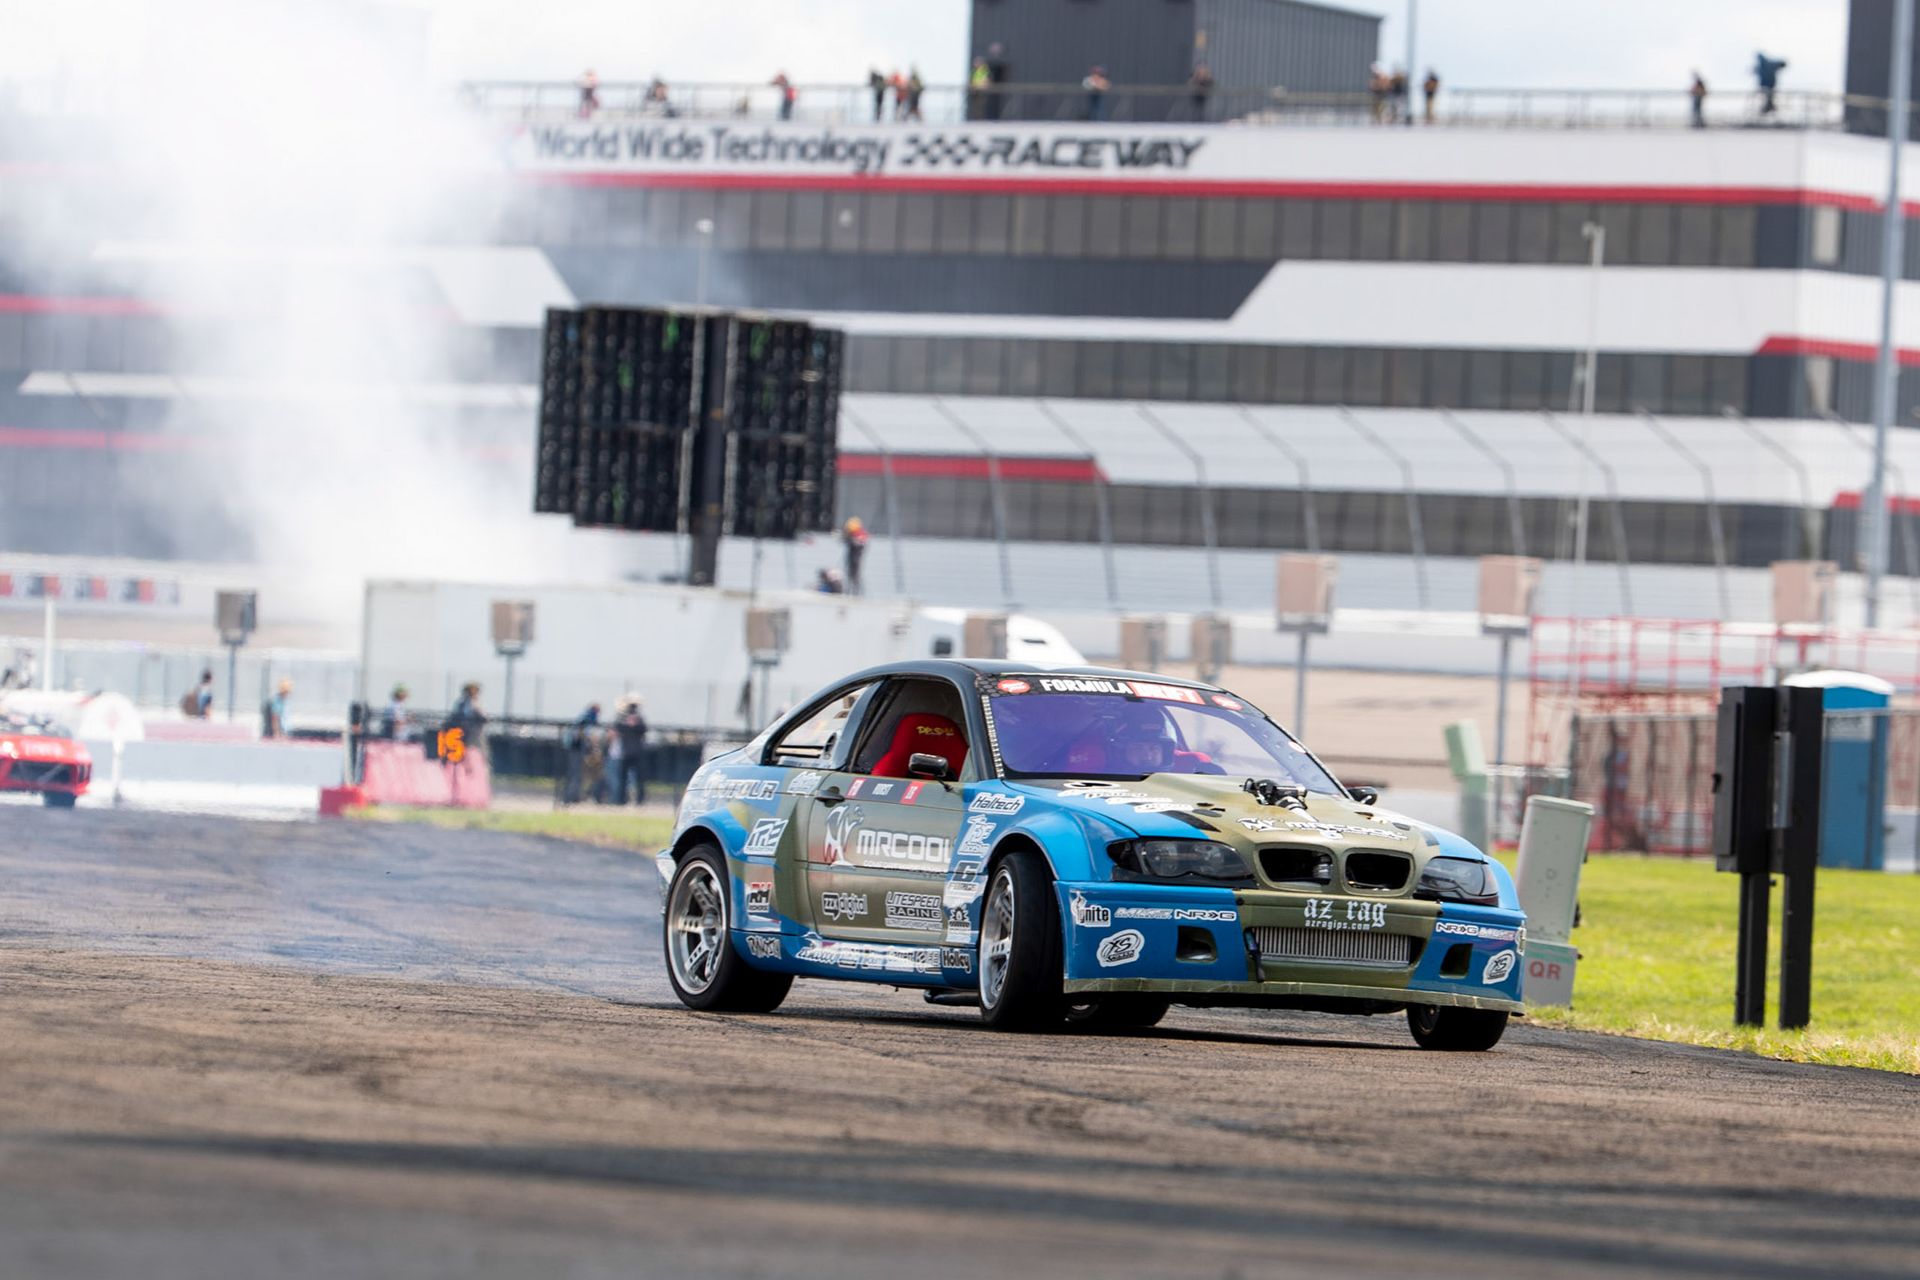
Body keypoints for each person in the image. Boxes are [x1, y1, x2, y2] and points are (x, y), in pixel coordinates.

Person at [613, 696, 649, 805]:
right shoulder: (622, 719)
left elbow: (643, 729)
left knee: (640, 778)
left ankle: (640, 800)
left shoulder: (640, 720)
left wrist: (635, 723)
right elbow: (617, 727)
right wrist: (628, 723)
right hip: (626, 752)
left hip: (637, 752)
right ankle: (621, 800)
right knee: (622, 778)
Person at [563, 702, 600, 804]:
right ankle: (571, 797)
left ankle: (574, 796)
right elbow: (580, 735)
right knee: (576, 775)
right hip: (576, 750)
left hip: (578, 750)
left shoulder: (584, 718)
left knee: (578, 775)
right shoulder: (585, 719)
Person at [448, 681, 486, 756]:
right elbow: (454, 716)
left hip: (475, 734)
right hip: (462, 733)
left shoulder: (477, 704)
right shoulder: (460, 704)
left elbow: (484, 718)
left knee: (476, 753)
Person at [842, 516, 870, 595]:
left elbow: (859, 545)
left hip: (856, 556)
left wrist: (852, 540)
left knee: (855, 575)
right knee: (849, 574)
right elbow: (845, 541)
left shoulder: (860, 534)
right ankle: (849, 591)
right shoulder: (851, 534)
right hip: (851, 555)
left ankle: (856, 592)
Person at [1754, 52, 1786, 117]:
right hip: (1768, 85)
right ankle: (1769, 107)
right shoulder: (1768, 64)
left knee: (1768, 97)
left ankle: (1768, 107)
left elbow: (1781, 64)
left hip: (1767, 85)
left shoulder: (1767, 64)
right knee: (1768, 97)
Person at [969, 56, 991, 120]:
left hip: (982, 91)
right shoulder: (974, 70)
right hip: (975, 91)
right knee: (974, 106)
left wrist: (983, 85)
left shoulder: (985, 70)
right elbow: (972, 80)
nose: (975, 64)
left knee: (981, 106)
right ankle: (974, 118)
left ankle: (980, 119)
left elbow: (987, 80)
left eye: (977, 62)